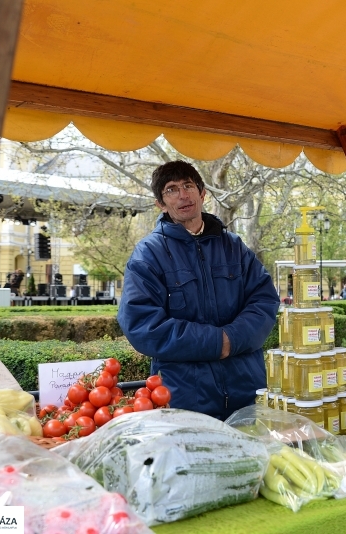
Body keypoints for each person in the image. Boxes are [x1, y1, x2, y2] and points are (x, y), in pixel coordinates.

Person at [118, 160, 279, 420]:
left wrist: (232, 339)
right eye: (171, 189)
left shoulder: (234, 247)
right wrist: (217, 343)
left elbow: (264, 301)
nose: (183, 195)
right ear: (160, 203)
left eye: (188, 186)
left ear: (202, 193)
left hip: (248, 392)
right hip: (184, 397)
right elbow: (142, 324)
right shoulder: (149, 254)